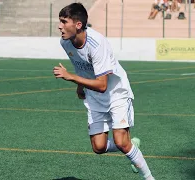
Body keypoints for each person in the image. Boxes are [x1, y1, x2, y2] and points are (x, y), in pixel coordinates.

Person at [53, 3, 155, 180]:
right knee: (98, 147)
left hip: (116, 93)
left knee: (121, 141)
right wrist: (80, 86)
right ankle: (131, 146)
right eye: (59, 21)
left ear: (78, 25)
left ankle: (149, 177)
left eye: (64, 21)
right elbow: (81, 66)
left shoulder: (97, 43)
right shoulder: (65, 42)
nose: (59, 26)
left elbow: (102, 85)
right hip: (94, 95)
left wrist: (71, 78)